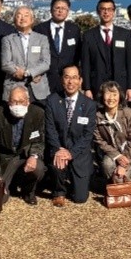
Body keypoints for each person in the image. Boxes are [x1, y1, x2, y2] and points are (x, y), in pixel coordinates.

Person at [44, 65, 98, 206]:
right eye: (67, 77)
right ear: (62, 79)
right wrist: (58, 149)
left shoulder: (89, 105)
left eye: (74, 78)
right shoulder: (52, 100)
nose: (70, 82)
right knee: (57, 163)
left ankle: (74, 179)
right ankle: (59, 191)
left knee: (80, 198)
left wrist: (71, 153)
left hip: (79, 154)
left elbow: (87, 135)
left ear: (80, 81)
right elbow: (50, 129)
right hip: (59, 150)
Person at [0, 86, 46, 208]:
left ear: (28, 101)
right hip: (5, 158)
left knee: (38, 168)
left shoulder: (37, 113)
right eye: (14, 101)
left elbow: (39, 140)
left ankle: (28, 192)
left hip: (25, 155)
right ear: (8, 102)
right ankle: (3, 185)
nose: (17, 105)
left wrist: (33, 156)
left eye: (21, 101)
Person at [80, 0, 131, 103]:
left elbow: (130, 62)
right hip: (96, 85)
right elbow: (85, 64)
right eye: (103, 9)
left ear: (114, 12)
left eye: (109, 9)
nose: (106, 12)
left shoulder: (125, 34)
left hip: (120, 85)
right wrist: (87, 88)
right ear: (98, 11)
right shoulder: (88, 35)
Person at [0, 5, 51, 103]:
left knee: (38, 112)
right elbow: (6, 63)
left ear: (32, 20)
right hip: (14, 86)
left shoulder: (42, 39)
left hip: (38, 88)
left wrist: (28, 73)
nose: (22, 18)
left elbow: (45, 62)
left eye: (26, 15)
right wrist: (23, 74)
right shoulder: (7, 40)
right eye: (19, 15)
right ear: (14, 20)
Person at [33, 0, 81, 96]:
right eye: (57, 8)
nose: (60, 11)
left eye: (63, 8)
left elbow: (77, 55)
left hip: (67, 81)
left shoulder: (74, 30)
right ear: (51, 10)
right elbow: (34, 54)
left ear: (68, 11)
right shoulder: (39, 29)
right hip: (44, 79)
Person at [93, 81, 131, 184]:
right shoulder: (97, 116)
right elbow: (99, 140)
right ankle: (113, 185)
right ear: (102, 96)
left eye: (114, 94)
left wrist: (123, 164)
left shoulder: (129, 114)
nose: (111, 98)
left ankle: (123, 180)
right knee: (107, 165)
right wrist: (117, 156)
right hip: (111, 153)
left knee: (120, 178)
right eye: (108, 94)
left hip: (128, 154)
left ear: (120, 96)